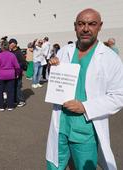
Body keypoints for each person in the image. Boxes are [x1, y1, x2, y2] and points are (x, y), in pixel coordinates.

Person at [46, 8, 123, 170]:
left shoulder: (110, 58)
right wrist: (52, 67)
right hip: (61, 126)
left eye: (91, 24)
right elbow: (56, 82)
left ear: (100, 26)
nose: (86, 28)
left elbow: (118, 96)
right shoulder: (64, 52)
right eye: (81, 24)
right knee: (54, 166)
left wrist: (85, 107)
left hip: (86, 131)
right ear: (75, 27)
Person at [0, 39, 20, 111]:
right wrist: (17, 73)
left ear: (1, 47)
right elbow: (17, 66)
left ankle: (1, 106)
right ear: (8, 47)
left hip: (1, 76)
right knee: (10, 91)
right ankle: (10, 106)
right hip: (11, 75)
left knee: (0, 91)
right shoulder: (12, 55)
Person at [9, 38, 26, 107]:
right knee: (14, 86)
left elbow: (23, 63)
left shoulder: (19, 52)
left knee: (18, 86)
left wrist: (16, 66)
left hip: (18, 72)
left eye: (10, 43)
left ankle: (21, 100)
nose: (9, 45)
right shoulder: (11, 52)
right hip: (12, 72)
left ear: (14, 44)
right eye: (9, 43)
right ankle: (15, 99)